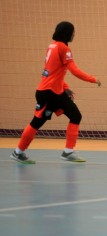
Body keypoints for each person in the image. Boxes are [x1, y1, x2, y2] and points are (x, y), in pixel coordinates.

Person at [10, 21, 101, 164]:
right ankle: (19, 152)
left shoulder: (51, 46)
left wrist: (64, 87)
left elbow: (53, 72)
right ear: (67, 33)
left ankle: (67, 151)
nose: (74, 35)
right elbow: (74, 70)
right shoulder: (64, 48)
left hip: (51, 91)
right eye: (73, 32)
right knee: (40, 122)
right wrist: (93, 79)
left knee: (74, 115)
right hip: (50, 92)